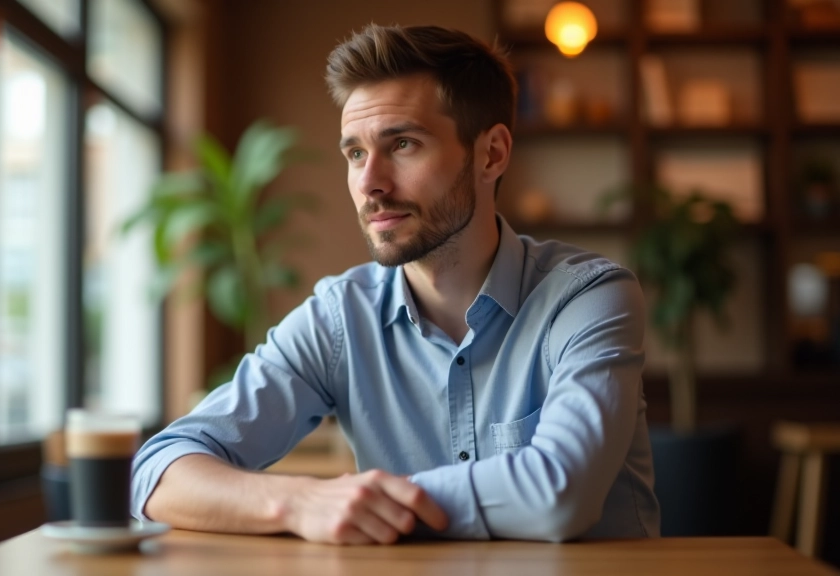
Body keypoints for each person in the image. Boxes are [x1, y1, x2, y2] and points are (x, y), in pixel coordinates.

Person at [131, 23, 660, 545]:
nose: (369, 183)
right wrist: (301, 501)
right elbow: (157, 471)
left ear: (492, 154)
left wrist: (367, 502)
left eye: (403, 144)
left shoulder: (588, 297)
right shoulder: (340, 318)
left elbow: (560, 493)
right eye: (355, 154)